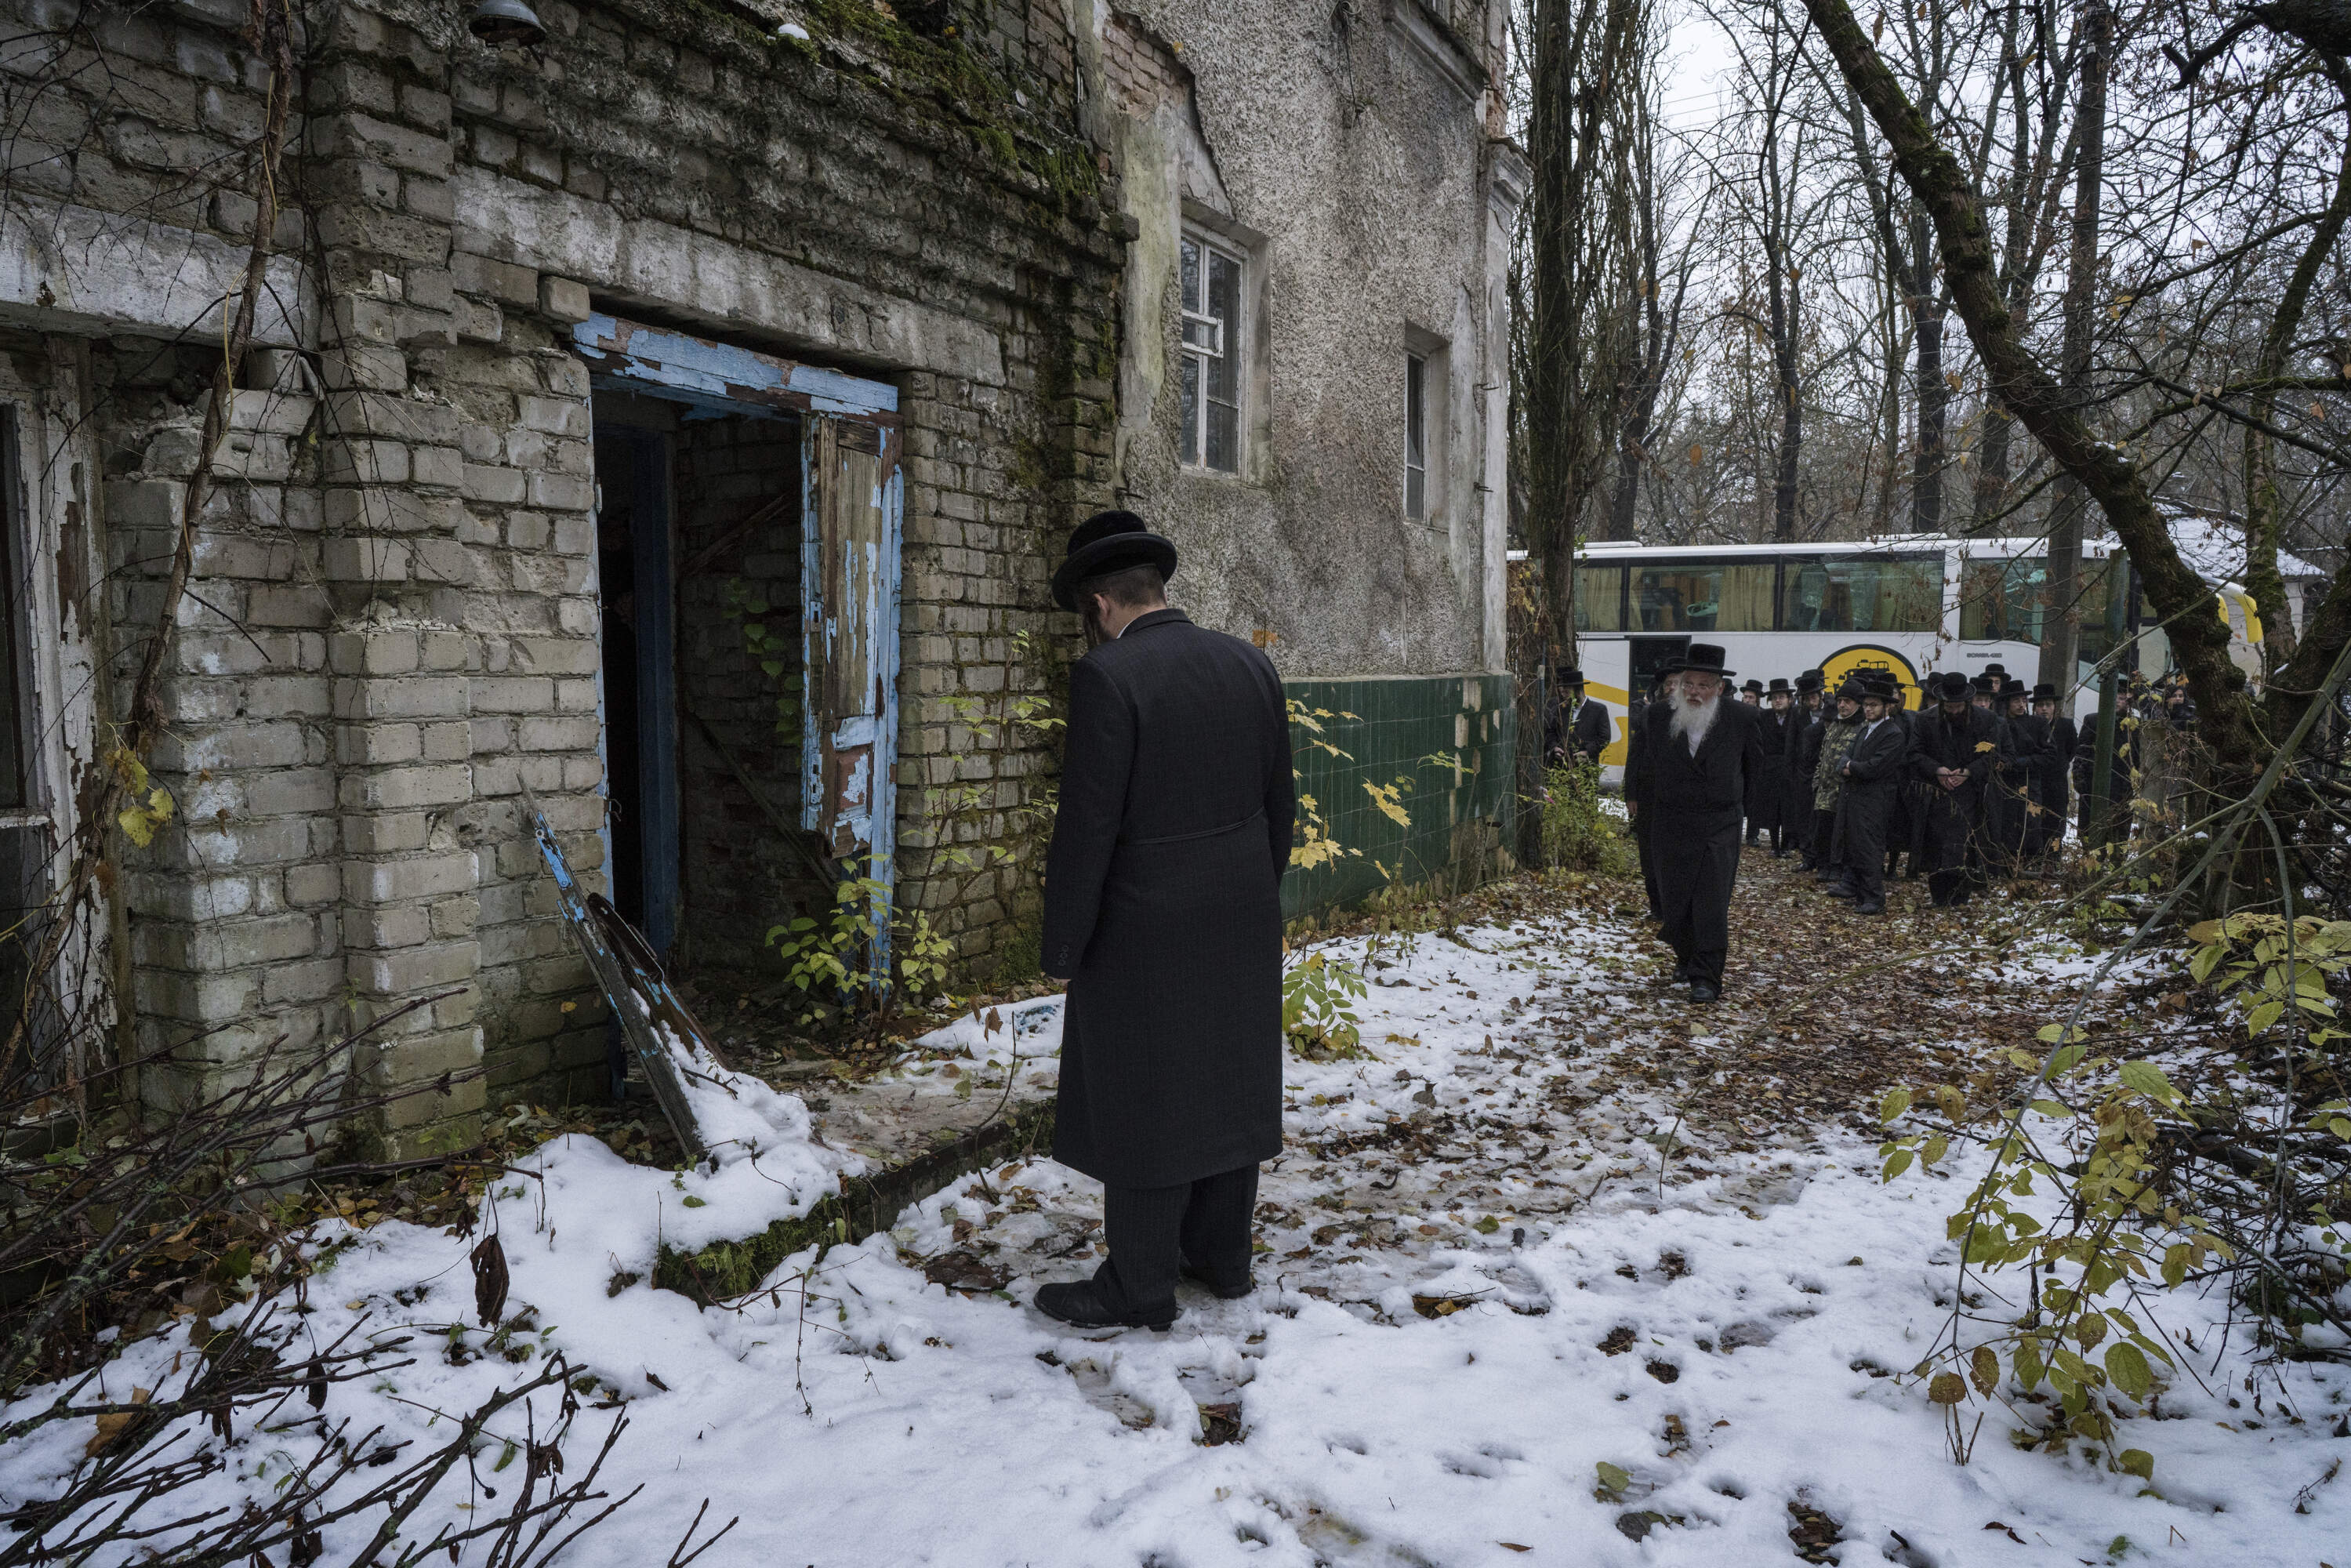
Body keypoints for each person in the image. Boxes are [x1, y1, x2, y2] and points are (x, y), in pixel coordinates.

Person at [1036, 510, 1294, 1331]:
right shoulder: (1248, 662)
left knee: (1145, 1089)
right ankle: (1222, 1259)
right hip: (1241, 909)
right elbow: (1280, 805)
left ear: (1099, 602)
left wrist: (1064, 941)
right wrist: (1251, 892)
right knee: (1225, 1079)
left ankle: (1138, 1287)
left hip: (1142, 924)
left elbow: (1087, 828)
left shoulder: (1107, 676)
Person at [1627, 644, 1767, 1002]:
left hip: (1719, 822)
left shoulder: (1742, 718)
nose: (1694, 692)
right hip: (1670, 821)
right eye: (1689, 683)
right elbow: (1648, 764)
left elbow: (1755, 770)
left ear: (1719, 688)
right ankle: (1685, 956)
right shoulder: (1658, 716)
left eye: (1704, 685)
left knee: (1711, 899)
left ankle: (1706, 975)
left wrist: (1743, 814)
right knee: (1675, 899)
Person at [1910, 670, 1997, 907]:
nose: (1954, 711)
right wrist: (1937, 770)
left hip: (1970, 793)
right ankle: (1939, 896)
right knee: (1936, 845)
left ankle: (1960, 896)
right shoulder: (1925, 719)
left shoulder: (1986, 720)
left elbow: (1995, 755)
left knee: (1962, 844)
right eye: (1949, 706)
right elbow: (1914, 753)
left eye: (1959, 706)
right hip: (1935, 793)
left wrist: (1968, 772)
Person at [1828, 674, 1910, 916]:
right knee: (1853, 843)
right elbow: (1844, 757)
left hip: (1875, 800)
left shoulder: (1893, 733)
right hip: (1854, 796)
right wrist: (1850, 766)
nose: (1868, 709)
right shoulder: (1865, 729)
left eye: (1873, 705)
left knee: (1869, 847)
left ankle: (1874, 897)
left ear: (1887, 706)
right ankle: (1856, 889)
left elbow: (1875, 768)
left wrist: (1851, 767)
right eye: (1866, 705)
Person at [1983, 677, 2048, 877]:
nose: (2021, 705)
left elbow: (2048, 754)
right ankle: (2006, 866)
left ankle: (2029, 864)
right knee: (2006, 824)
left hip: (2030, 780)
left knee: (2031, 824)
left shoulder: (2037, 723)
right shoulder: (1998, 723)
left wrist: (2020, 763)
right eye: (2016, 701)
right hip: (2005, 782)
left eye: (2023, 700)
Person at [1811, 681, 1865, 882]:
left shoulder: (1862, 727)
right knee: (1823, 831)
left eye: (1847, 701)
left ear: (1858, 704)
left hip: (1844, 791)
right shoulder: (1834, 725)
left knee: (1841, 834)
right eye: (1840, 701)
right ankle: (1823, 866)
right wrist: (1816, 781)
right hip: (1825, 791)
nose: (1842, 705)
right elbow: (1823, 756)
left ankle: (1837, 868)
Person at [2030, 684, 2075, 862]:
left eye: (2048, 705)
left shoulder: (2065, 726)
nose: (2044, 709)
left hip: (2057, 785)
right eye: (2040, 705)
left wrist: (2060, 765)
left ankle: (2053, 861)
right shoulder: (2029, 725)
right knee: (2034, 825)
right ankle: (2034, 861)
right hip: (2035, 783)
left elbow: (2072, 750)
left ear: (2054, 707)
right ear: (2035, 708)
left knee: (2056, 826)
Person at [1789, 671, 1827, 868]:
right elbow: (1791, 742)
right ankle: (1807, 856)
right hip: (1803, 772)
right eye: (1807, 698)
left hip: (1825, 770)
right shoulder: (1798, 714)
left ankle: (1822, 856)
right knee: (1804, 815)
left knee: (1821, 816)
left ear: (1820, 696)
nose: (1811, 702)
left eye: (1814, 697)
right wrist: (1790, 771)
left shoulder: (1831, 711)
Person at [1545, 665, 1613, 767]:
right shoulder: (1559, 710)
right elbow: (1551, 732)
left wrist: (1587, 752)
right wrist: (1554, 747)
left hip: (1586, 768)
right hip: (1560, 768)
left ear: (1578, 691)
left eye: (1567, 692)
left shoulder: (1599, 710)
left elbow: (1604, 738)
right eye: (1562, 692)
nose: (1563, 696)